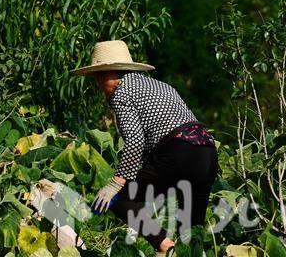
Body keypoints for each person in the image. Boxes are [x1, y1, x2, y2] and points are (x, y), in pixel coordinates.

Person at [72, 40, 218, 253]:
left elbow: (135, 141)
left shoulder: (122, 93)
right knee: (191, 234)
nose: (99, 86)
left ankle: (167, 248)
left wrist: (116, 183)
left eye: (98, 78)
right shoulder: (160, 85)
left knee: (123, 201)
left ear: (110, 74)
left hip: (179, 152)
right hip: (207, 151)